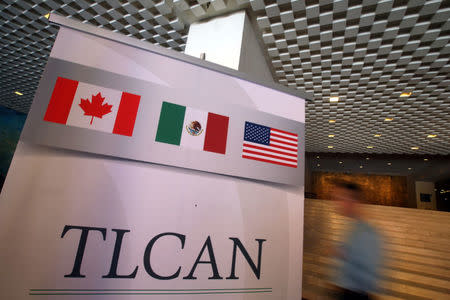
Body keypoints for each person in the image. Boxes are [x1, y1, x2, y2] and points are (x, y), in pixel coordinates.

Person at [331, 181, 383, 300]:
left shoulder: (367, 232)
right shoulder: (353, 227)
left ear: (352, 201)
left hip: (355, 294)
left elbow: (370, 276)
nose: (336, 203)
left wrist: (345, 255)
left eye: (340, 198)